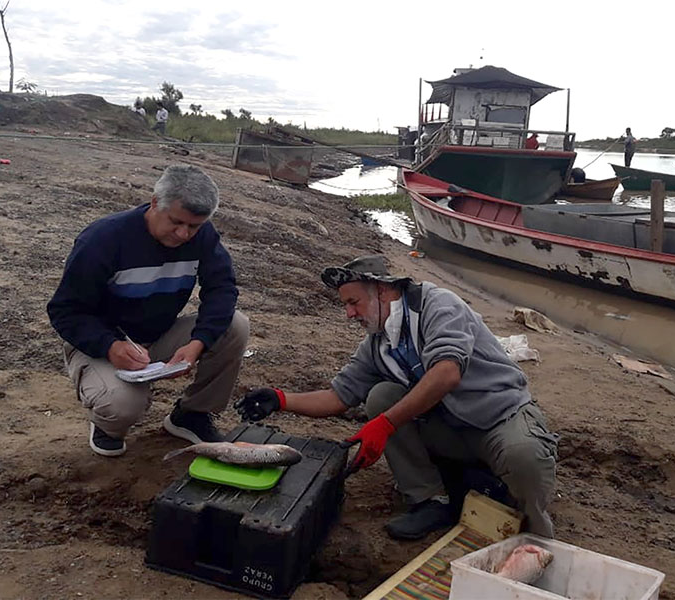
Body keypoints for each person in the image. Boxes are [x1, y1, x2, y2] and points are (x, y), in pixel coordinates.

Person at [234, 255, 558, 541]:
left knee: (524, 458)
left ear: (384, 290)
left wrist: (385, 425)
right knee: (382, 395)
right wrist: (280, 399)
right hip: (452, 428)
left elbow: (447, 373)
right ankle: (431, 500)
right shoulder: (378, 343)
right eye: (345, 305)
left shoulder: (437, 305)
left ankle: (535, 534)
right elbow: (338, 396)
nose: (349, 314)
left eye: (353, 302)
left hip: (499, 417)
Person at [47, 164, 249, 457]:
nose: (184, 234)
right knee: (122, 405)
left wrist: (197, 343)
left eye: (194, 226)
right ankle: (106, 426)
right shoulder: (103, 239)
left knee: (235, 325)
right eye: (176, 222)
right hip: (101, 343)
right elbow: (65, 311)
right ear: (155, 202)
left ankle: (192, 415)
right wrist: (110, 346)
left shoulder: (203, 237)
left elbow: (222, 289)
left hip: (159, 334)